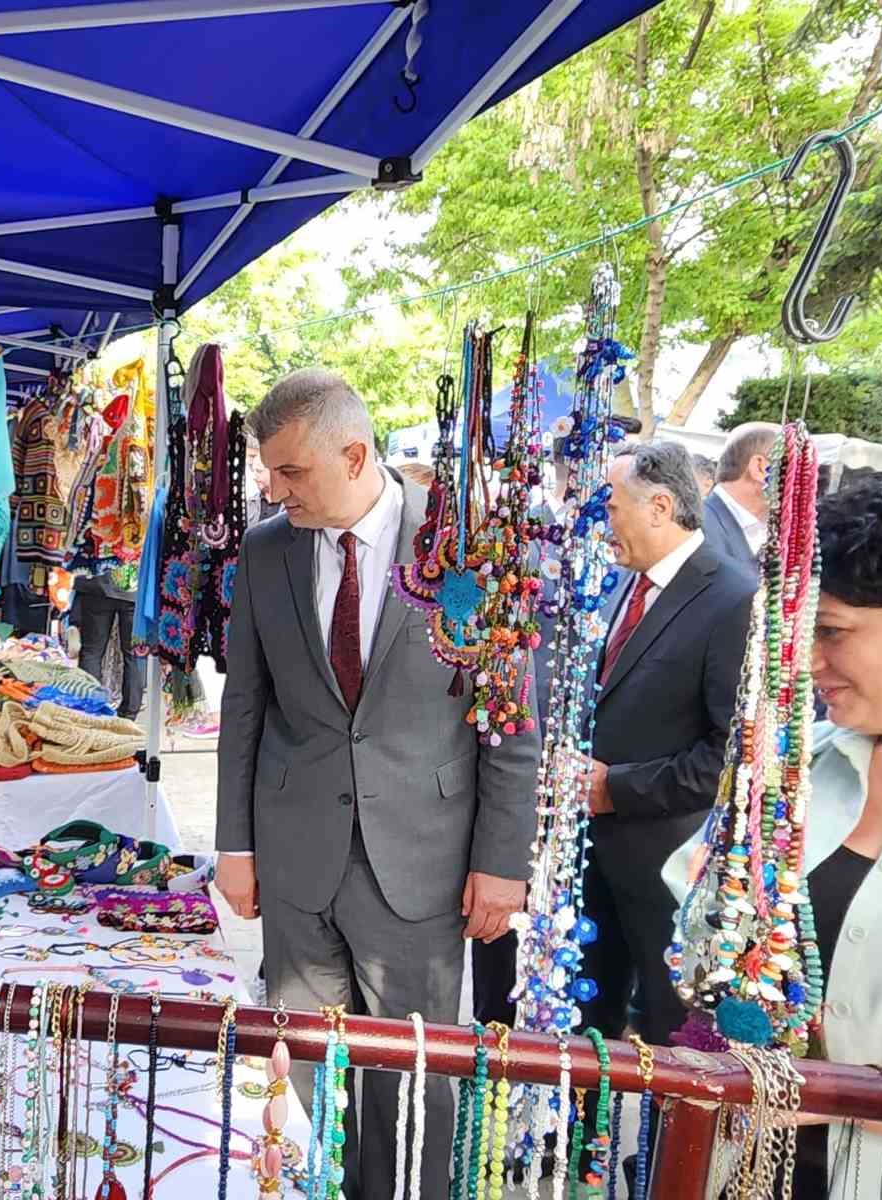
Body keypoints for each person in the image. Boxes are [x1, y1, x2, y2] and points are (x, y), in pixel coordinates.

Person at [216, 368, 537, 1200]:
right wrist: (234, 845)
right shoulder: (265, 549)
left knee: (415, 1091)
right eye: (267, 471)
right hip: (294, 861)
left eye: (292, 473)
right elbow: (246, 702)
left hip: (421, 866)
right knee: (302, 1074)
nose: (273, 489)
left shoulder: (465, 546)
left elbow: (508, 720)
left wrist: (503, 861)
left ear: (355, 455)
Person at [667, 472, 882, 1195]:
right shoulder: (795, 767)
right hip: (757, 1167)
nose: (809, 660)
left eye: (832, 632)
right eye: (802, 632)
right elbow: (695, 918)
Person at [577, 440, 755, 1044]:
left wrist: (614, 789)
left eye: (611, 507)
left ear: (658, 506)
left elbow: (731, 759)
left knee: (665, 1041)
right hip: (592, 866)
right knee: (585, 1040)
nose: (603, 521)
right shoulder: (623, 585)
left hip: (669, 878)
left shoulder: (732, 597)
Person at [702, 421, 779, 567]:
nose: (806, 482)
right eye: (796, 468)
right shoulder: (696, 529)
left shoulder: (770, 532)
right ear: (760, 468)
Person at [73, 569, 146, 718]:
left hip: (98, 585)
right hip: (135, 588)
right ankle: (129, 714)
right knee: (135, 654)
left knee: (91, 652)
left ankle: (90, 709)